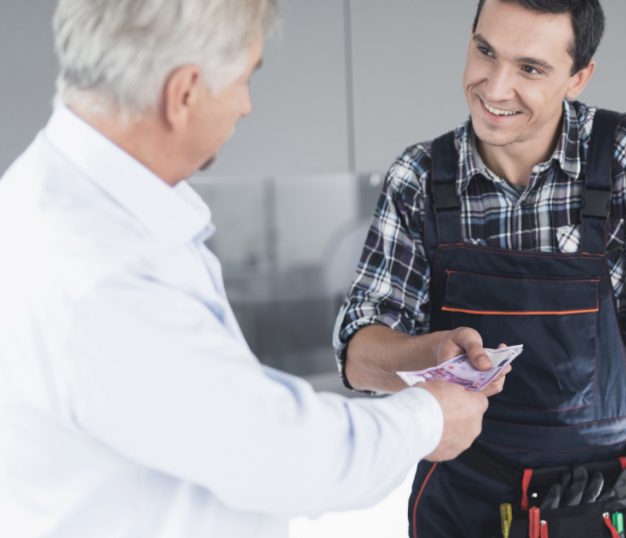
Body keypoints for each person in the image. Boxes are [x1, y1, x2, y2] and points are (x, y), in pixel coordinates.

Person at [0, 1, 499, 536]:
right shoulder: (99, 267)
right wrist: (428, 419)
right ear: (184, 93)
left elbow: (212, 405)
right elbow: (280, 454)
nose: (246, 107)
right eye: (243, 80)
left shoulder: (55, 196)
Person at [334, 0, 626, 536]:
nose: (494, 87)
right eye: (485, 51)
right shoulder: (419, 177)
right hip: (458, 502)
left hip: (598, 503)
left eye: (530, 68)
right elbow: (358, 357)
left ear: (578, 77)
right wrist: (428, 353)